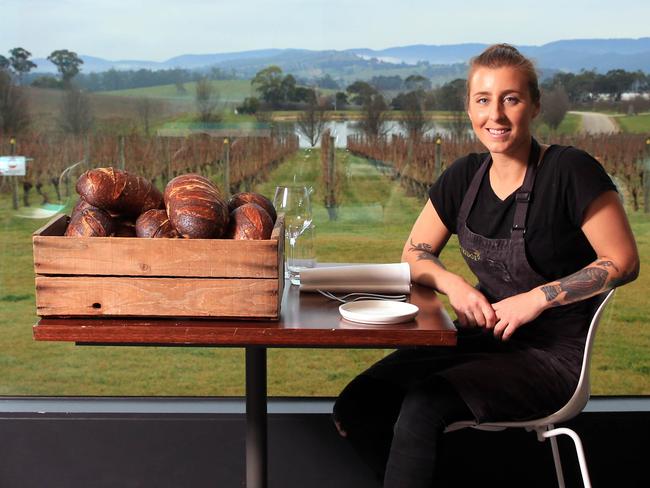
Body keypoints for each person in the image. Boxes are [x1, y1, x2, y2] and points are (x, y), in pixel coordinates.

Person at [333, 44, 640, 488]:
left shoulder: (570, 171)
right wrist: (453, 285)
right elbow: (414, 253)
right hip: (480, 340)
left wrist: (538, 298)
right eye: (483, 100)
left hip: (550, 357)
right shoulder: (463, 177)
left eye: (510, 99)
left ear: (534, 105)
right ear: (469, 108)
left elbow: (624, 262)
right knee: (358, 405)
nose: (495, 114)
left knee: (424, 403)